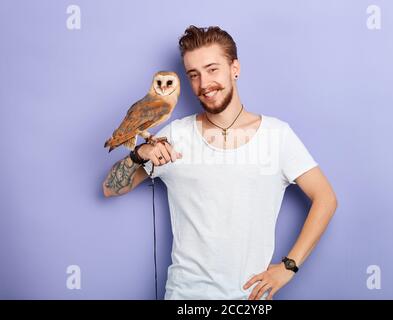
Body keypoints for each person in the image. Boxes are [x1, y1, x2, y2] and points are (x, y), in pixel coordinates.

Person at [103, 25, 338, 300]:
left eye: (212, 69)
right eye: (194, 74)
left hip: (249, 299)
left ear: (234, 68)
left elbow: (326, 198)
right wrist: (138, 154)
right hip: (183, 297)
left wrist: (289, 266)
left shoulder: (277, 135)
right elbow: (110, 188)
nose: (204, 84)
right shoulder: (175, 135)